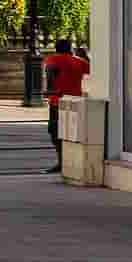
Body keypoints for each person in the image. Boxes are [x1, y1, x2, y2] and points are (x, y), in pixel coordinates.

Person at [43, 36, 90, 165]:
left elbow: (50, 70)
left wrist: (49, 89)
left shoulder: (53, 58)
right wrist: (84, 56)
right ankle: (71, 163)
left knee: (55, 131)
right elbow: (91, 70)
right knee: (72, 134)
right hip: (75, 101)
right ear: (70, 49)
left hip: (57, 100)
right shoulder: (79, 61)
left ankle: (61, 162)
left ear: (56, 49)